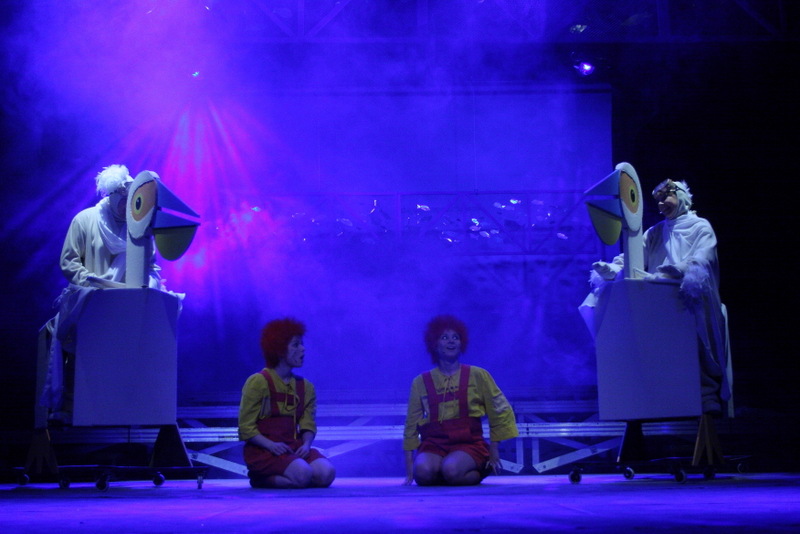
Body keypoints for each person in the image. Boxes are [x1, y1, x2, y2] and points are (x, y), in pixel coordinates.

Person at [591, 179, 732, 415]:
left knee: (696, 340)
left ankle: (706, 394)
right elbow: (634, 254)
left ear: (681, 196)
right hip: (660, 300)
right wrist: (613, 269)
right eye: (657, 201)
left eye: (665, 198)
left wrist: (681, 269)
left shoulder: (700, 227)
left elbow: (704, 258)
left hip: (689, 299)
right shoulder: (656, 231)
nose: (660, 205)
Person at [39, 165, 163, 420]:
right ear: (113, 195)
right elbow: (69, 262)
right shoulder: (85, 219)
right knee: (79, 348)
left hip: (126, 303)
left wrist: (150, 286)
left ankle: (124, 409)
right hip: (89, 300)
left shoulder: (140, 227)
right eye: (122, 199)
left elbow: (150, 266)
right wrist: (92, 284)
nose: (126, 206)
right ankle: (72, 407)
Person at [402, 315, 518, 486]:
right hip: (434, 443)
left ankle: (475, 470)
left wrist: (494, 449)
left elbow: (500, 410)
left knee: (451, 469)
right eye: (444, 337)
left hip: (468, 443)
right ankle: (448, 475)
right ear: (434, 344)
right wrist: (410, 465)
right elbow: (412, 422)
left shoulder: (478, 375)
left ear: (461, 343)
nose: (451, 341)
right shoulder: (421, 382)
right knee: (423, 473)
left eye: (455, 337)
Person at [238, 318, 336, 489]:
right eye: (296, 345)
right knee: (303, 474)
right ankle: (261, 479)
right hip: (264, 450)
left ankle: (296, 477)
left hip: (292, 447)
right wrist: (270, 445)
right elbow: (246, 427)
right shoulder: (258, 382)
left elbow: (308, 424)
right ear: (279, 350)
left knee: (326, 473)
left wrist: (306, 445)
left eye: (302, 344)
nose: (303, 349)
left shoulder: (305, 386)